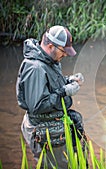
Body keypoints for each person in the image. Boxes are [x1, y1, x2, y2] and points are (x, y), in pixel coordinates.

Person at [16, 25, 86, 168]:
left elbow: (51, 84)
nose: (65, 55)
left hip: (54, 123)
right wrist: (64, 91)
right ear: (50, 46)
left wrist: (69, 80)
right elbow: (37, 106)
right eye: (63, 51)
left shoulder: (50, 61)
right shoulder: (35, 68)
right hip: (41, 129)